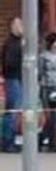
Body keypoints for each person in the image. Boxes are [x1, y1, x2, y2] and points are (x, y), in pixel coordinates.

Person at [1, 17, 23, 153]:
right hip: (13, 78)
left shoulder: (21, 42)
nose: (21, 27)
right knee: (12, 110)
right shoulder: (11, 43)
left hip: (19, 78)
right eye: (18, 25)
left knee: (16, 110)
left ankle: (11, 139)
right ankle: (7, 141)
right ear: (12, 27)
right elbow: (8, 62)